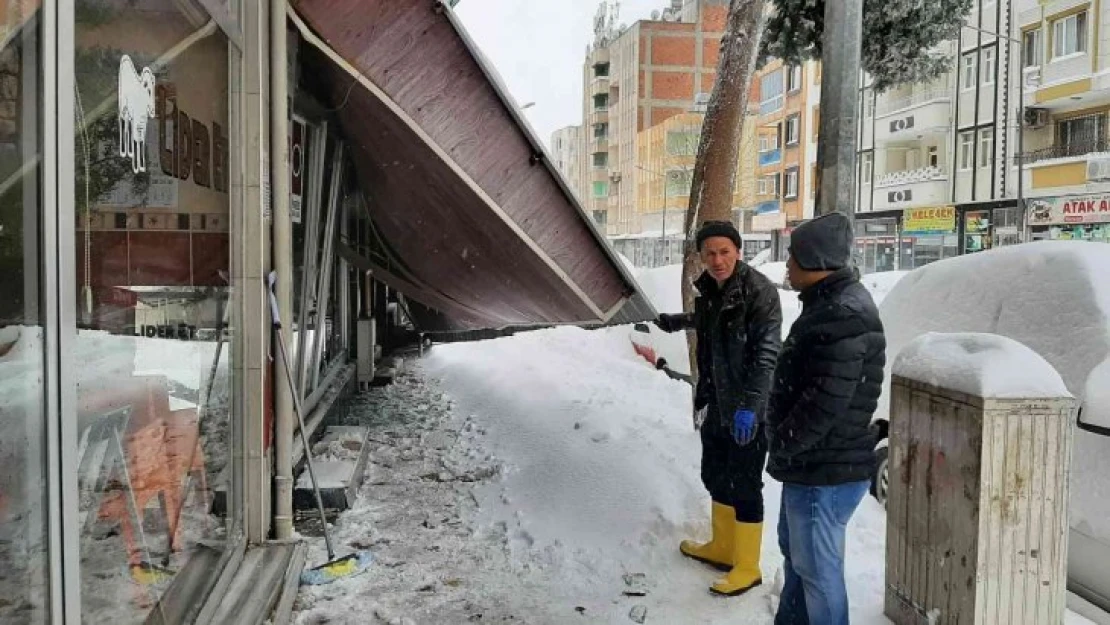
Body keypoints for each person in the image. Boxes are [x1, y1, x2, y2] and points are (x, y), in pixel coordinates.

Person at [765, 212, 886, 625]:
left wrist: (781, 440)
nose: (787, 267)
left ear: (815, 262)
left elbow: (825, 403)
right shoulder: (830, 305)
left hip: (823, 470)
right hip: (813, 465)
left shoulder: (842, 315)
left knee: (818, 573)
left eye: (793, 258)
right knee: (801, 561)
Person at [655, 220, 782, 596]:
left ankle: (747, 565)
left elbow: (766, 354)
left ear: (738, 251)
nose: (717, 259)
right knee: (715, 474)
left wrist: (752, 407)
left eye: (724, 251)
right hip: (716, 402)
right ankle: (723, 548)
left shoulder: (760, 292)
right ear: (701, 256)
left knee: (745, 484)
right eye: (710, 253)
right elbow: (711, 322)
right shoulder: (709, 289)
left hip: (747, 408)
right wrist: (678, 322)